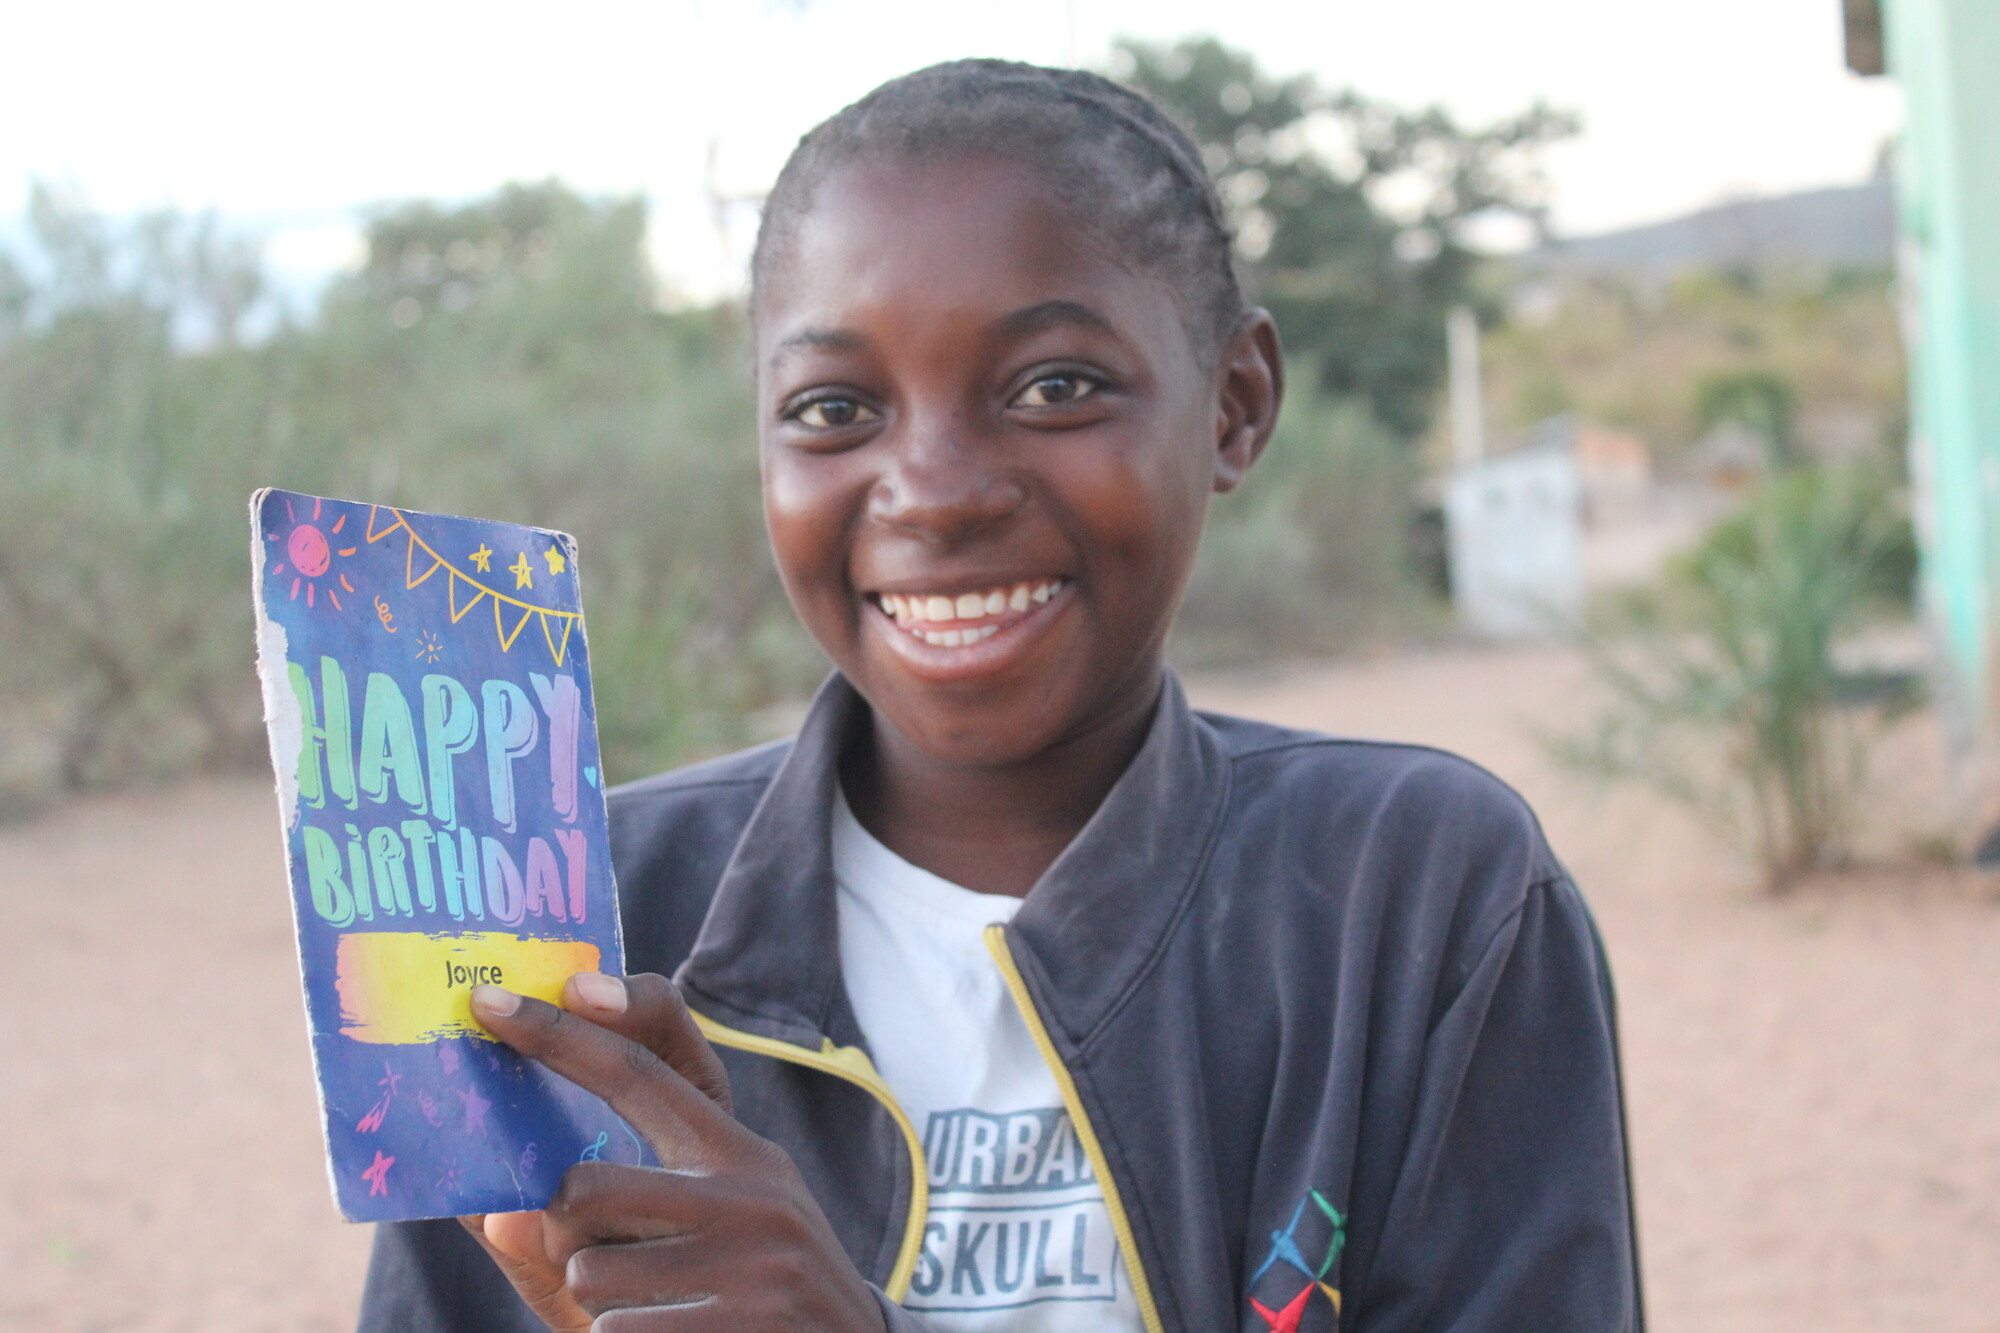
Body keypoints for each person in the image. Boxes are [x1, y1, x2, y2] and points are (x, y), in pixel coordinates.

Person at [358, 59, 1642, 1332]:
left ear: (1234, 408)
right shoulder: (570, 923)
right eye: (834, 406)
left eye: (1053, 388)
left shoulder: (1413, 895)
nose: (934, 489)